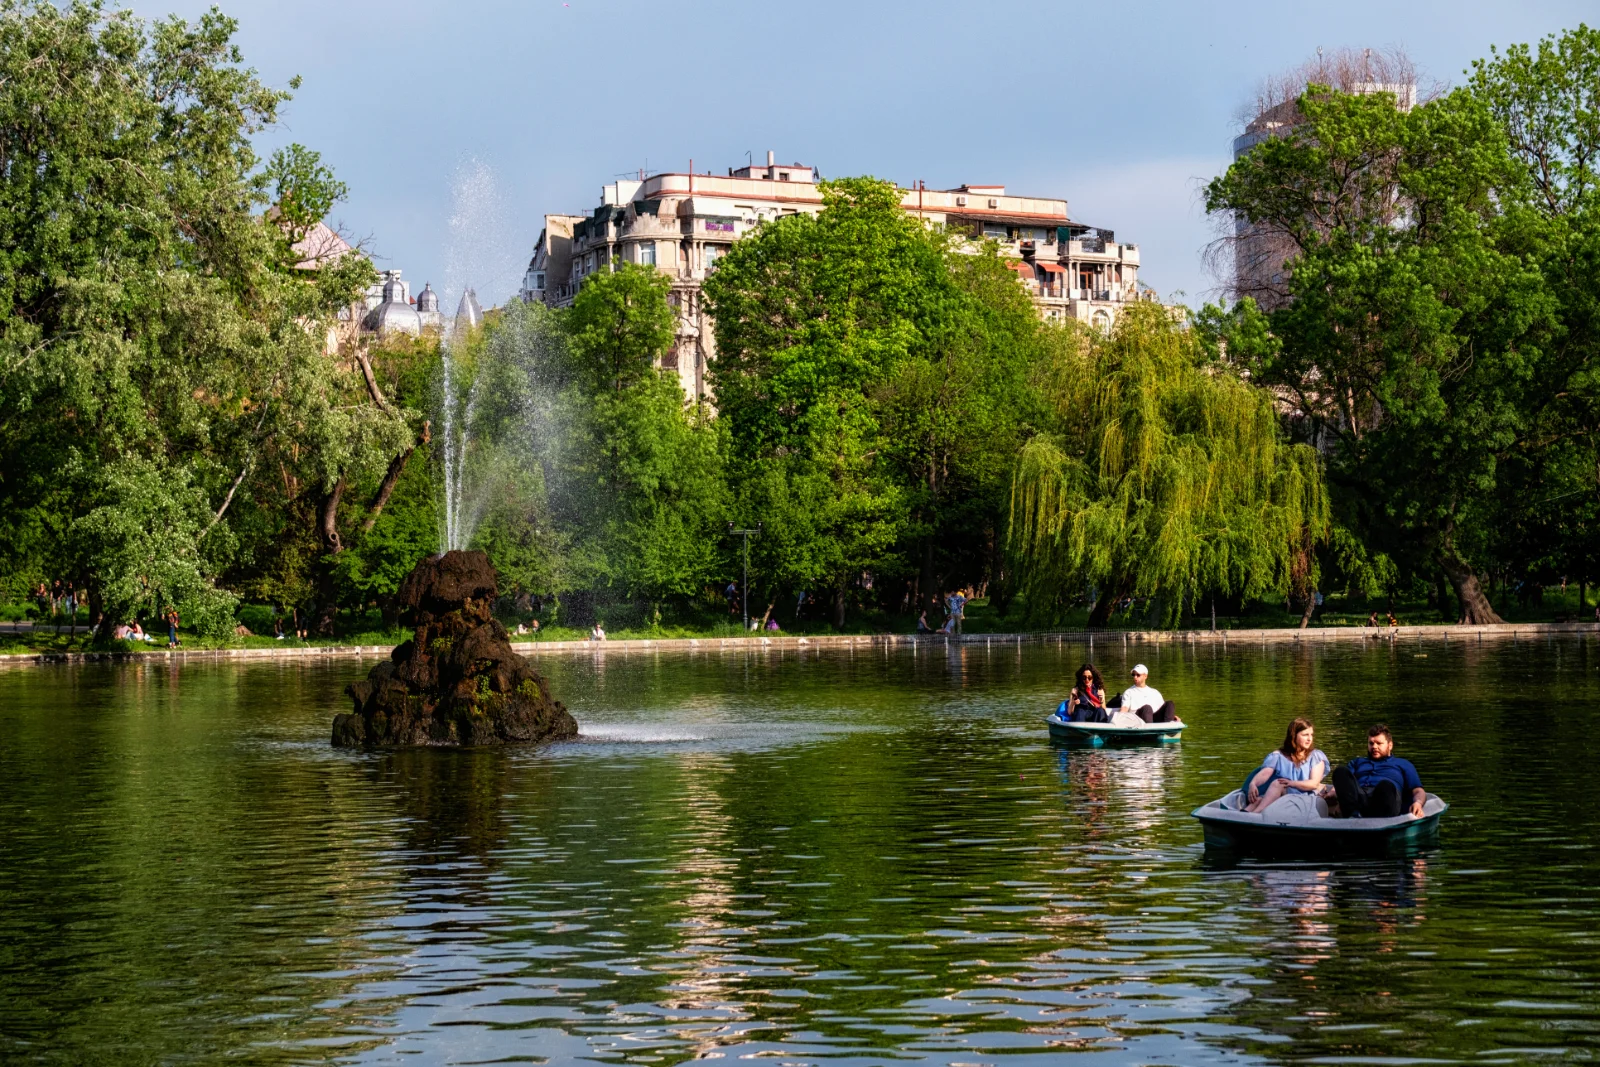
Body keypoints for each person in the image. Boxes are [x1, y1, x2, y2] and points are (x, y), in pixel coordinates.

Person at [1332, 724, 1427, 819]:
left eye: (1379, 743)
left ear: (1390, 745)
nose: (1374, 747)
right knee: (1340, 771)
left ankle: (1380, 822)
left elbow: (1418, 790)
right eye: (1371, 743)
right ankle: (1352, 816)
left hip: (1385, 799)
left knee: (1385, 785)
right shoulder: (1357, 762)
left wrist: (1418, 803)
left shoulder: (1403, 764)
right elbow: (1345, 783)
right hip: (1360, 798)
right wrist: (1334, 792)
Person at [1241, 717, 1331, 813]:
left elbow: (1314, 783)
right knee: (1257, 800)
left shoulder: (1316, 756)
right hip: (1285, 796)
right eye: (1305, 735)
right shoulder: (1278, 756)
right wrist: (1253, 783)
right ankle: (1240, 817)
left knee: (1279, 783)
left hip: (1306, 797)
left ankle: (1255, 815)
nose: (1309, 739)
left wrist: (1291, 783)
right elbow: (1265, 773)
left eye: (1311, 735)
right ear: (1294, 736)